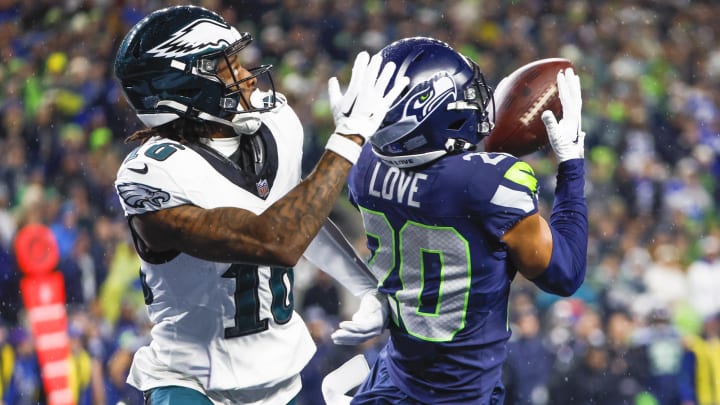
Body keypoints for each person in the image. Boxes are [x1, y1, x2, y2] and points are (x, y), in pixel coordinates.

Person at [112, 5, 407, 405]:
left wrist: (366, 288)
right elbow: (276, 241)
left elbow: (300, 215)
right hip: (193, 385)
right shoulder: (153, 174)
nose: (247, 77)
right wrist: (348, 140)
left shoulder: (278, 123)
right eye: (225, 67)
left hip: (284, 378)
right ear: (179, 88)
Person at [337, 37, 588, 404]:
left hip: (394, 378)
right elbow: (565, 274)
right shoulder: (489, 184)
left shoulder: (362, 167)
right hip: (462, 391)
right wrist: (571, 165)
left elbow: (432, 188)